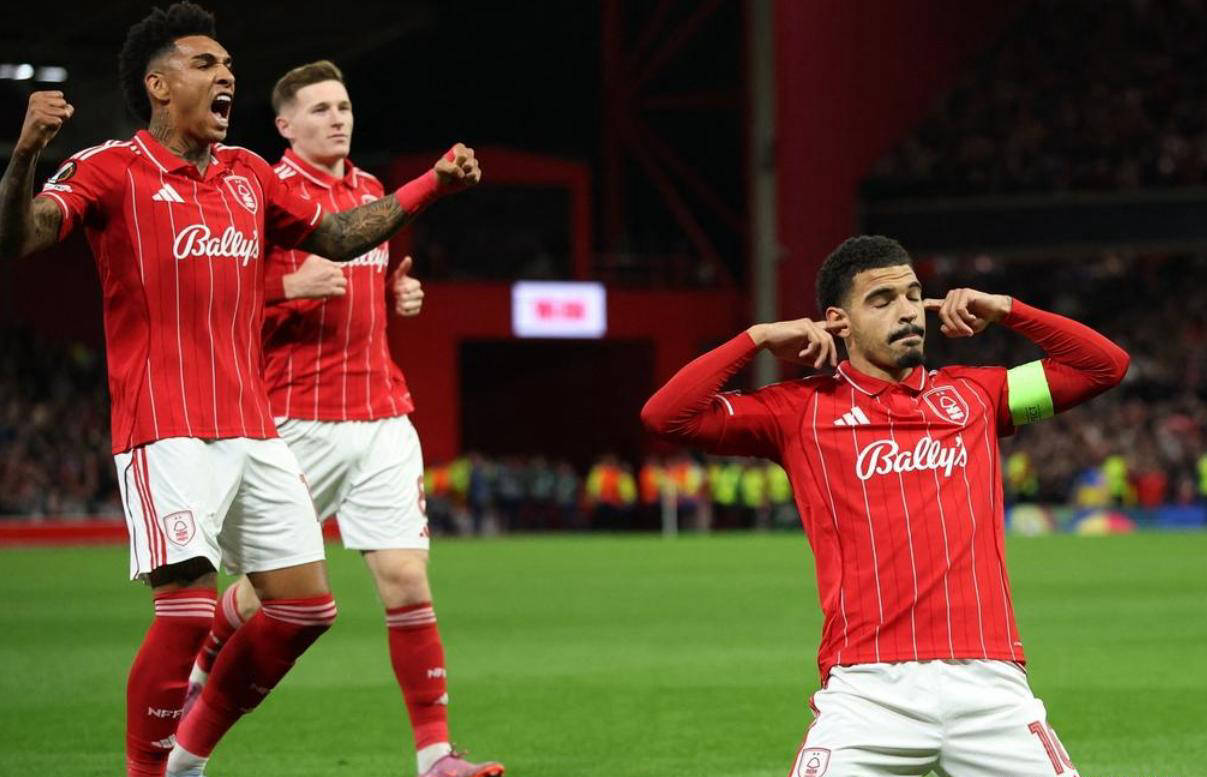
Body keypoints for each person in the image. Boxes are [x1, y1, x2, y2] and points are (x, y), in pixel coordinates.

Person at [0, 5, 479, 776]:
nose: (225, 75)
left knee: (305, 609)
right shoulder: (109, 168)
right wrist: (25, 153)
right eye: (204, 63)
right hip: (165, 424)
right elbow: (19, 236)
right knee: (186, 611)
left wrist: (432, 187)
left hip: (255, 428)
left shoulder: (248, 175)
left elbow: (338, 235)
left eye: (227, 65)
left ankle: (188, 757)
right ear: (158, 85)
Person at [641, 235, 1129, 776]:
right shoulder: (798, 411)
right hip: (867, 692)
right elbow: (667, 416)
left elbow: (1103, 367)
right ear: (838, 322)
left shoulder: (978, 396)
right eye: (882, 300)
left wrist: (1008, 310)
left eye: (913, 295)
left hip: (989, 684)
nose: (908, 312)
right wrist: (756, 338)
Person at [185, 60, 501, 777]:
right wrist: (285, 285)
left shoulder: (368, 192)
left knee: (406, 580)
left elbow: (367, 278)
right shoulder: (260, 192)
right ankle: (200, 675)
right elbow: (211, 292)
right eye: (321, 108)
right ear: (285, 125)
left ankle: (435, 756)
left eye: (345, 106)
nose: (338, 118)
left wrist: (398, 291)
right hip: (295, 419)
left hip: (382, 414)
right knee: (266, 591)